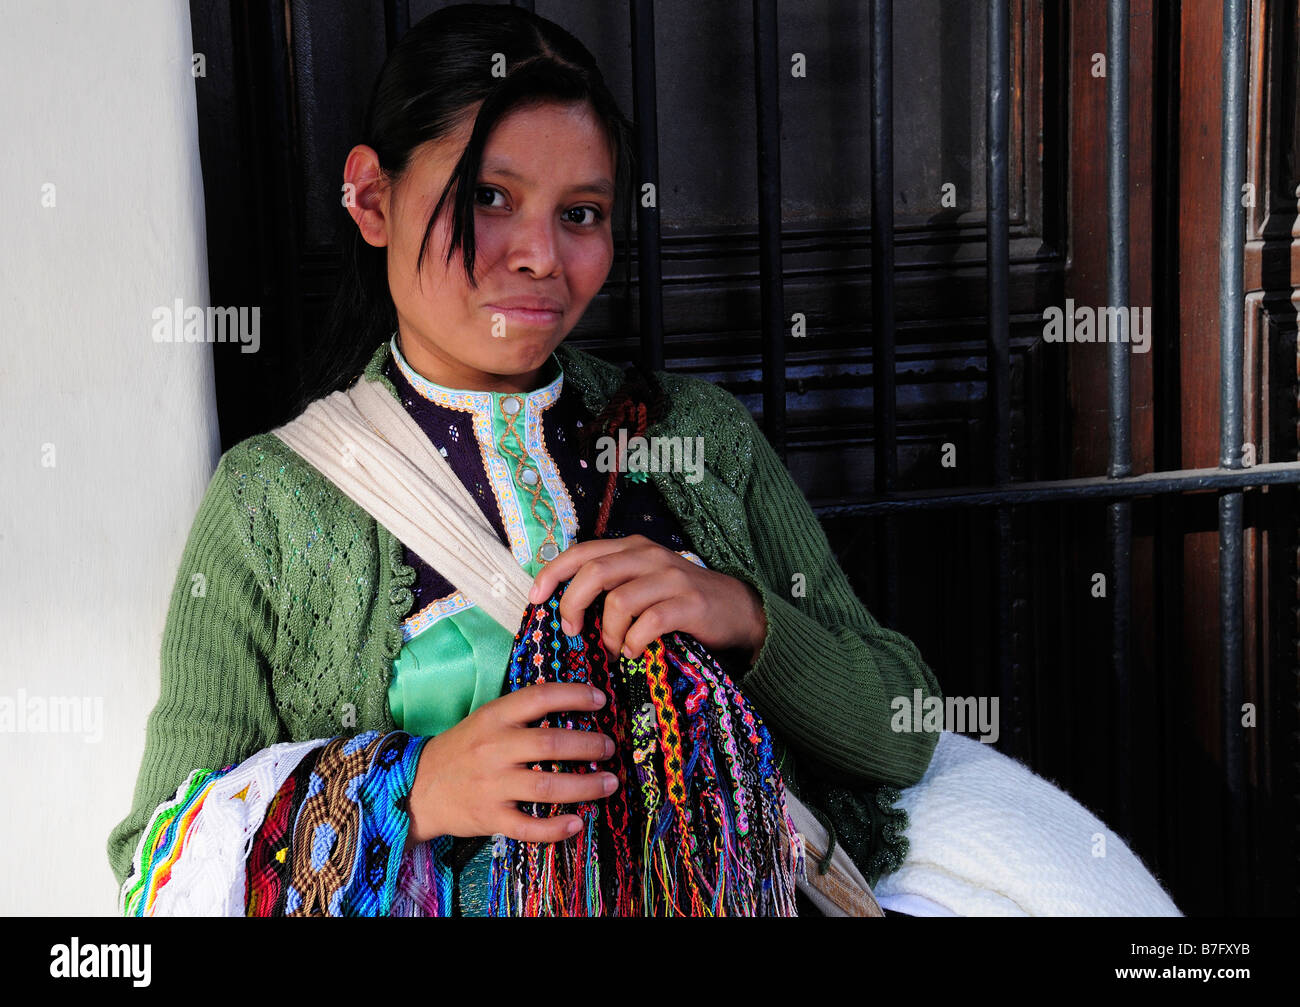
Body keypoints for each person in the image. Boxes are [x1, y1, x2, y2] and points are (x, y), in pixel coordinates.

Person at [106, 2, 942, 917]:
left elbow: (906, 727)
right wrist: (414, 792)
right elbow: (158, 861)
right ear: (373, 197)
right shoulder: (271, 504)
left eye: (580, 213)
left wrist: (742, 616)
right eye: (489, 197)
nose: (543, 256)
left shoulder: (699, 439)